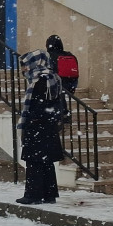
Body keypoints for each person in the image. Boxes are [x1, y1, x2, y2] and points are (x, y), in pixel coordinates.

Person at [16, 49, 67, 205]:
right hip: (48, 125)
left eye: (25, 65)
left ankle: (34, 194)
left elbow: (39, 104)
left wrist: (31, 121)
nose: (24, 69)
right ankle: (49, 194)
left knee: (34, 161)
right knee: (46, 162)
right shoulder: (52, 77)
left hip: (38, 125)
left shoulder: (40, 80)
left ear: (35, 62)